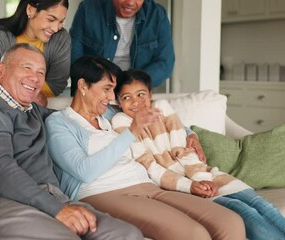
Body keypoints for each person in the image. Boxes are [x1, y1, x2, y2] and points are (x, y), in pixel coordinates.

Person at [0, 43, 143, 240]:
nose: (35, 78)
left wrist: (121, 111)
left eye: (41, 73)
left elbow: (74, 117)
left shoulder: (32, 111)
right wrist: (57, 210)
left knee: (128, 234)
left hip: (52, 200)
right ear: (1, 70)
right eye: (27, 68)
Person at [45, 55, 246, 240]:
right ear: (83, 85)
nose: (110, 97)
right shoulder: (60, 122)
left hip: (148, 185)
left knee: (230, 222)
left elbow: (153, 111)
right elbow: (84, 171)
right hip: (103, 193)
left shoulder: (108, 115)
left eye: (113, 91)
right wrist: (131, 131)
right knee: (194, 234)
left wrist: (189, 133)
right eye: (106, 89)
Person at [111, 69, 285, 240]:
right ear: (118, 102)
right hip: (181, 188)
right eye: (127, 97)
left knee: (262, 206)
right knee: (245, 213)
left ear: (150, 94)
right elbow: (150, 168)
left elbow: (185, 150)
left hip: (205, 173)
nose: (136, 102)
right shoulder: (122, 123)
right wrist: (192, 185)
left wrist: (203, 177)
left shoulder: (162, 108)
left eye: (141, 94)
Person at [0, 0, 71, 106]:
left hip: (35, 112)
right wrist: (23, 95)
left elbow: (56, 85)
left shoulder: (60, 39)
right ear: (30, 10)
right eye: (51, 19)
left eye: (61, 22)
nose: (55, 28)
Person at [69, 0, 174, 95]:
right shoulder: (87, 9)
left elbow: (165, 63)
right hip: (92, 92)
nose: (130, 3)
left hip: (135, 93)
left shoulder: (157, 15)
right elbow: (74, 59)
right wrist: (102, 83)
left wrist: (132, 84)